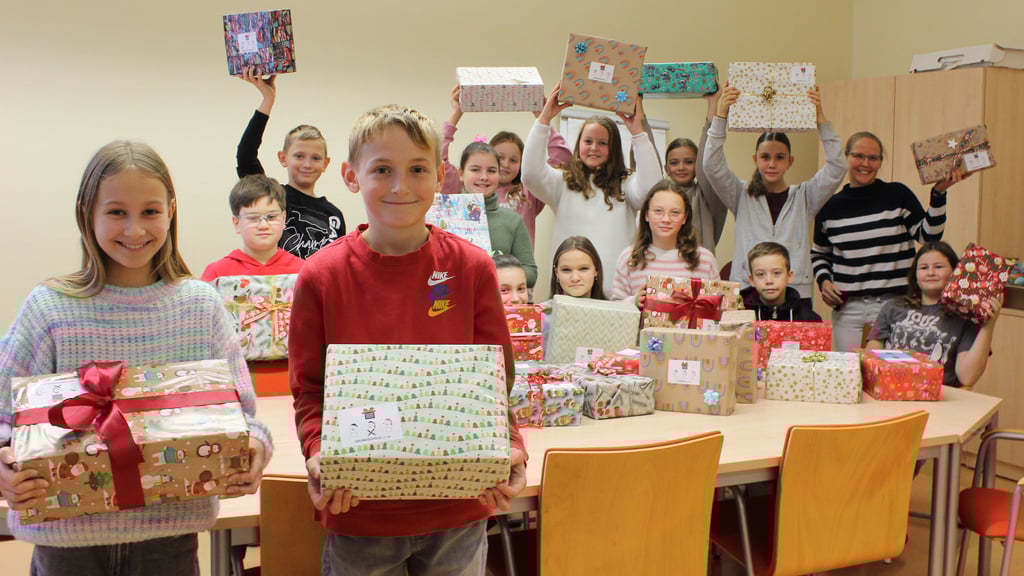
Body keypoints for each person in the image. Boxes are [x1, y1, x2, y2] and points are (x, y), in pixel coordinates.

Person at [0, 141, 271, 574]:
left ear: (171, 211)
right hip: (65, 548)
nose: (134, 229)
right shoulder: (49, 309)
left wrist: (255, 448)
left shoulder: (199, 307)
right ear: (86, 212)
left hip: (170, 542)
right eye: (115, 212)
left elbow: (246, 417)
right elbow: (4, 418)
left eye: (149, 211)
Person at [288, 104, 526, 574]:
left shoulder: (471, 267)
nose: (401, 186)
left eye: (417, 169)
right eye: (382, 170)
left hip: (458, 505)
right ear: (351, 176)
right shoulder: (321, 275)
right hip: (361, 509)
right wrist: (318, 453)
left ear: (439, 176)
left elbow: (496, 379)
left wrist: (511, 445)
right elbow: (309, 390)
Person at [812, 131, 969, 352]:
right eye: (858, 156)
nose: (866, 163)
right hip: (848, 309)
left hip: (896, 305)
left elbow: (928, 236)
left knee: (893, 375)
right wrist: (824, 282)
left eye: (873, 158)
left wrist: (939, 193)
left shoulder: (897, 194)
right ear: (846, 158)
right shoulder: (829, 206)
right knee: (850, 376)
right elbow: (819, 253)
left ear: (880, 162)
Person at [703, 84, 846, 306]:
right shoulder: (741, 194)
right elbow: (712, 165)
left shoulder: (805, 197)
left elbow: (837, 166)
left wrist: (820, 120)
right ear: (755, 159)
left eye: (780, 157)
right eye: (765, 157)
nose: (772, 164)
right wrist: (720, 116)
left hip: (795, 292)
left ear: (790, 161)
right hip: (747, 290)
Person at [522, 85, 662, 296]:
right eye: (588, 141)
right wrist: (544, 120)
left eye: (602, 143)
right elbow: (530, 175)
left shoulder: (626, 184)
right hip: (569, 292)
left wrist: (637, 132)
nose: (594, 148)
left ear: (613, 149)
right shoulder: (562, 182)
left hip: (616, 296)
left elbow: (653, 190)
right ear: (579, 145)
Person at [235, 67, 345, 259]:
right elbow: (245, 156)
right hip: (278, 287)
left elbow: (338, 267)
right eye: (299, 156)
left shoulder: (333, 215)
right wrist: (267, 100)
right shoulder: (273, 197)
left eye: (315, 158)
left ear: (326, 163)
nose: (307, 164)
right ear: (283, 158)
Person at [440, 85, 572, 244]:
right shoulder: (464, 189)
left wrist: (543, 119)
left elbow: (562, 159)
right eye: (499, 158)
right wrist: (456, 113)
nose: (505, 164)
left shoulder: (528, 194)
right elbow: (437, 158)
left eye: (514, 160)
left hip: (516, 267)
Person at [866, 242, 1000, 388]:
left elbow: (967, 378)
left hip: (938, 395)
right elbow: (871, 355)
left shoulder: (965, 316)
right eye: (924, 267)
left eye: (938, 267)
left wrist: (988, 325)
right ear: (915, 275)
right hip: (891, 388)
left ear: (955, 272)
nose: (930, 272)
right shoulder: (892, 307)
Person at [610, 180, 719, 304]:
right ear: (646, 214)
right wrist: (634, 301)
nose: (666, 219)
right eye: (658, 211)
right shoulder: (629, 257)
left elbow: (717, 307)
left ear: (685, 218)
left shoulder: (705, 259)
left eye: (675, 213)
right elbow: (615, 307)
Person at [458, 142, 538, 287]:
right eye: (475, 170)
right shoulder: (444, 214)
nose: (484, 177)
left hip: (498, 304)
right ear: (461, 174)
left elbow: (531, 273)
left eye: (492, 171)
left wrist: (495, 273)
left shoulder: (513, 221)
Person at [201, 174, 304, 281]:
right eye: (253, 218)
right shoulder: (217, 274)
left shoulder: (303, 270)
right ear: (236, 223)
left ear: (283, 218)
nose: (263, 226)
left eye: (271, 217)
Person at [660, 93, 728, 251]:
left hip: (699, 271)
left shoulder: (707, 197)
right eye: (674, 163)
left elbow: (709, 156)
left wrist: (713, 104)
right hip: (667, 271)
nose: (682, 167)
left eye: (689, 162)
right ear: (666, 169)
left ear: (698, 166)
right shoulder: (660, 196)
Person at [741, 241, 822, 321]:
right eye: (761, 274)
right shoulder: (740, 316)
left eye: (776, 273)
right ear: (752, 280)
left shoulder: (809, 320)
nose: (769, 281)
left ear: (789, 276)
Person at [549, 236, 607, 301]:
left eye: (583, 269)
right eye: (566, 270)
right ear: (556, 272)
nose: (575, 278)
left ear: (596, 270)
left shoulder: (614, 310)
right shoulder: (540, 310)